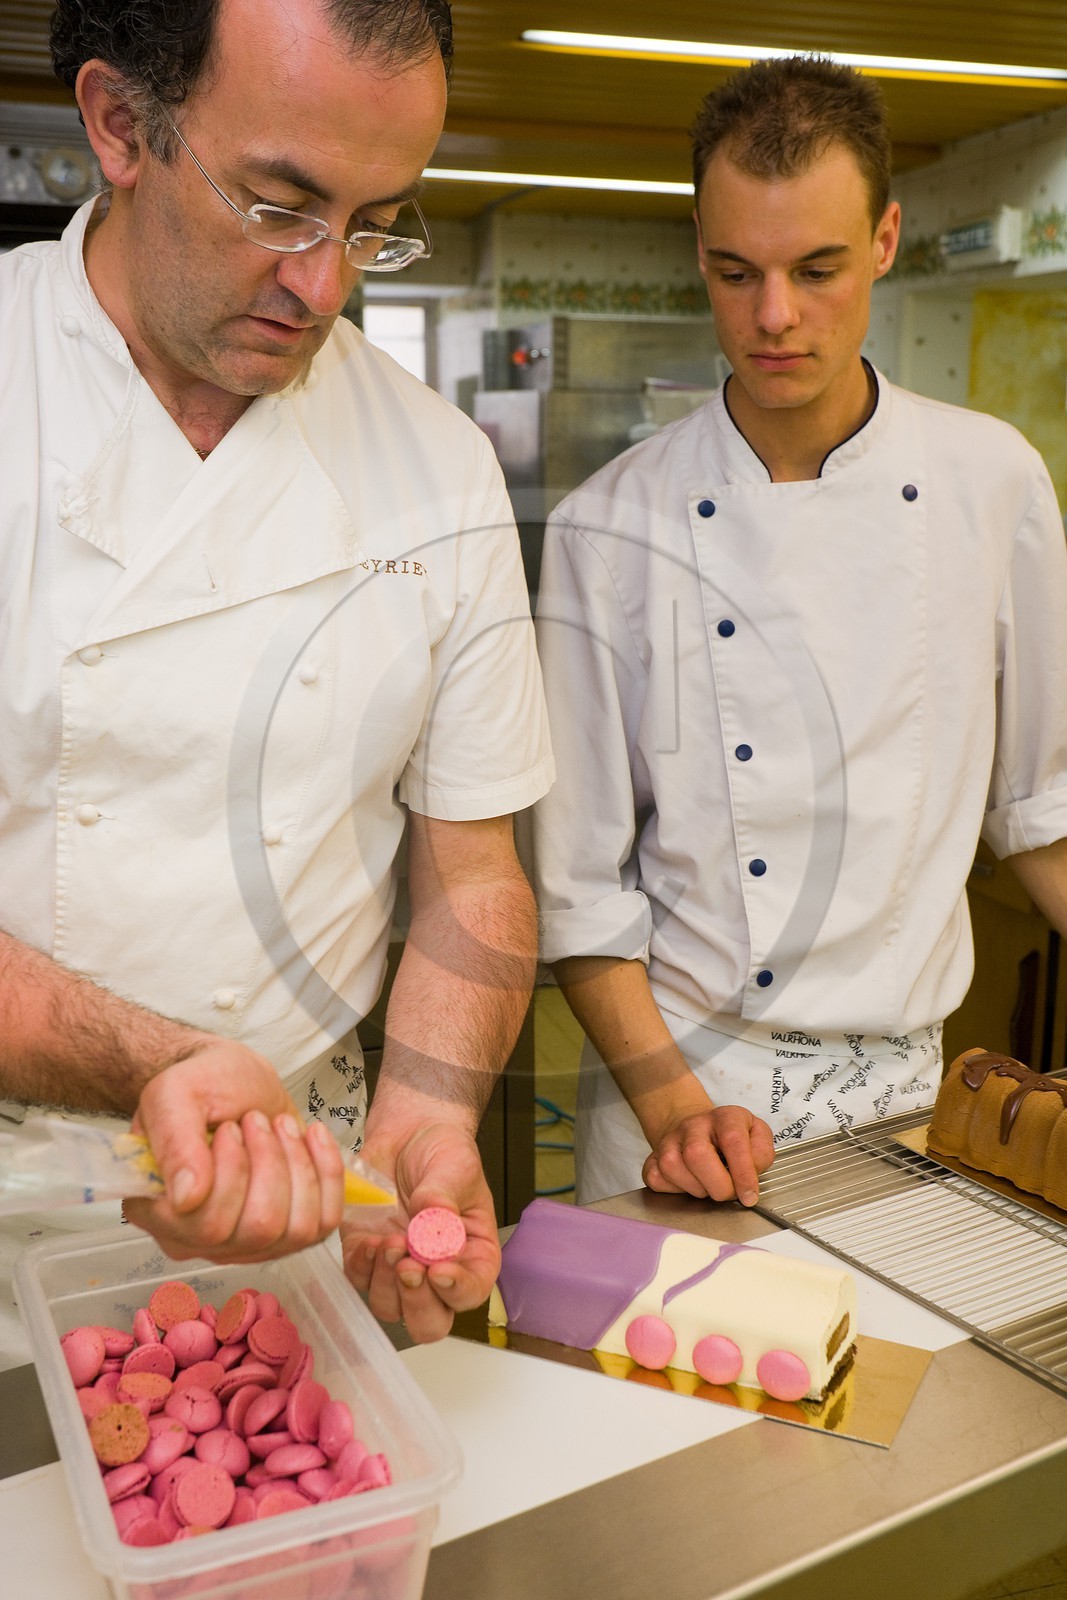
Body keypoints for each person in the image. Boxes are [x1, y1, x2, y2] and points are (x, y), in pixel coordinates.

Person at [0, 0, 553, 1342]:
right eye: (279, 207)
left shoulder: (438, 466)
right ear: (120, 126)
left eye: (375, 225)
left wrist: (424, 1115)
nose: (326, 287)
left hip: (308, 1197)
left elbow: (471, 872)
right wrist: (165, 1063)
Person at [533, 56, 1067, 1207]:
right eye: (736, 273)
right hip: (678, 1094)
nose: (772, 316)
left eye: (815, 269)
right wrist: (673, 1110)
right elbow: (577, 889)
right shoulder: (607, 526)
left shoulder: (992, 483)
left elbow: (1040, 810)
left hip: (910, 1098)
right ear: (699, 251)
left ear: (883, 240)